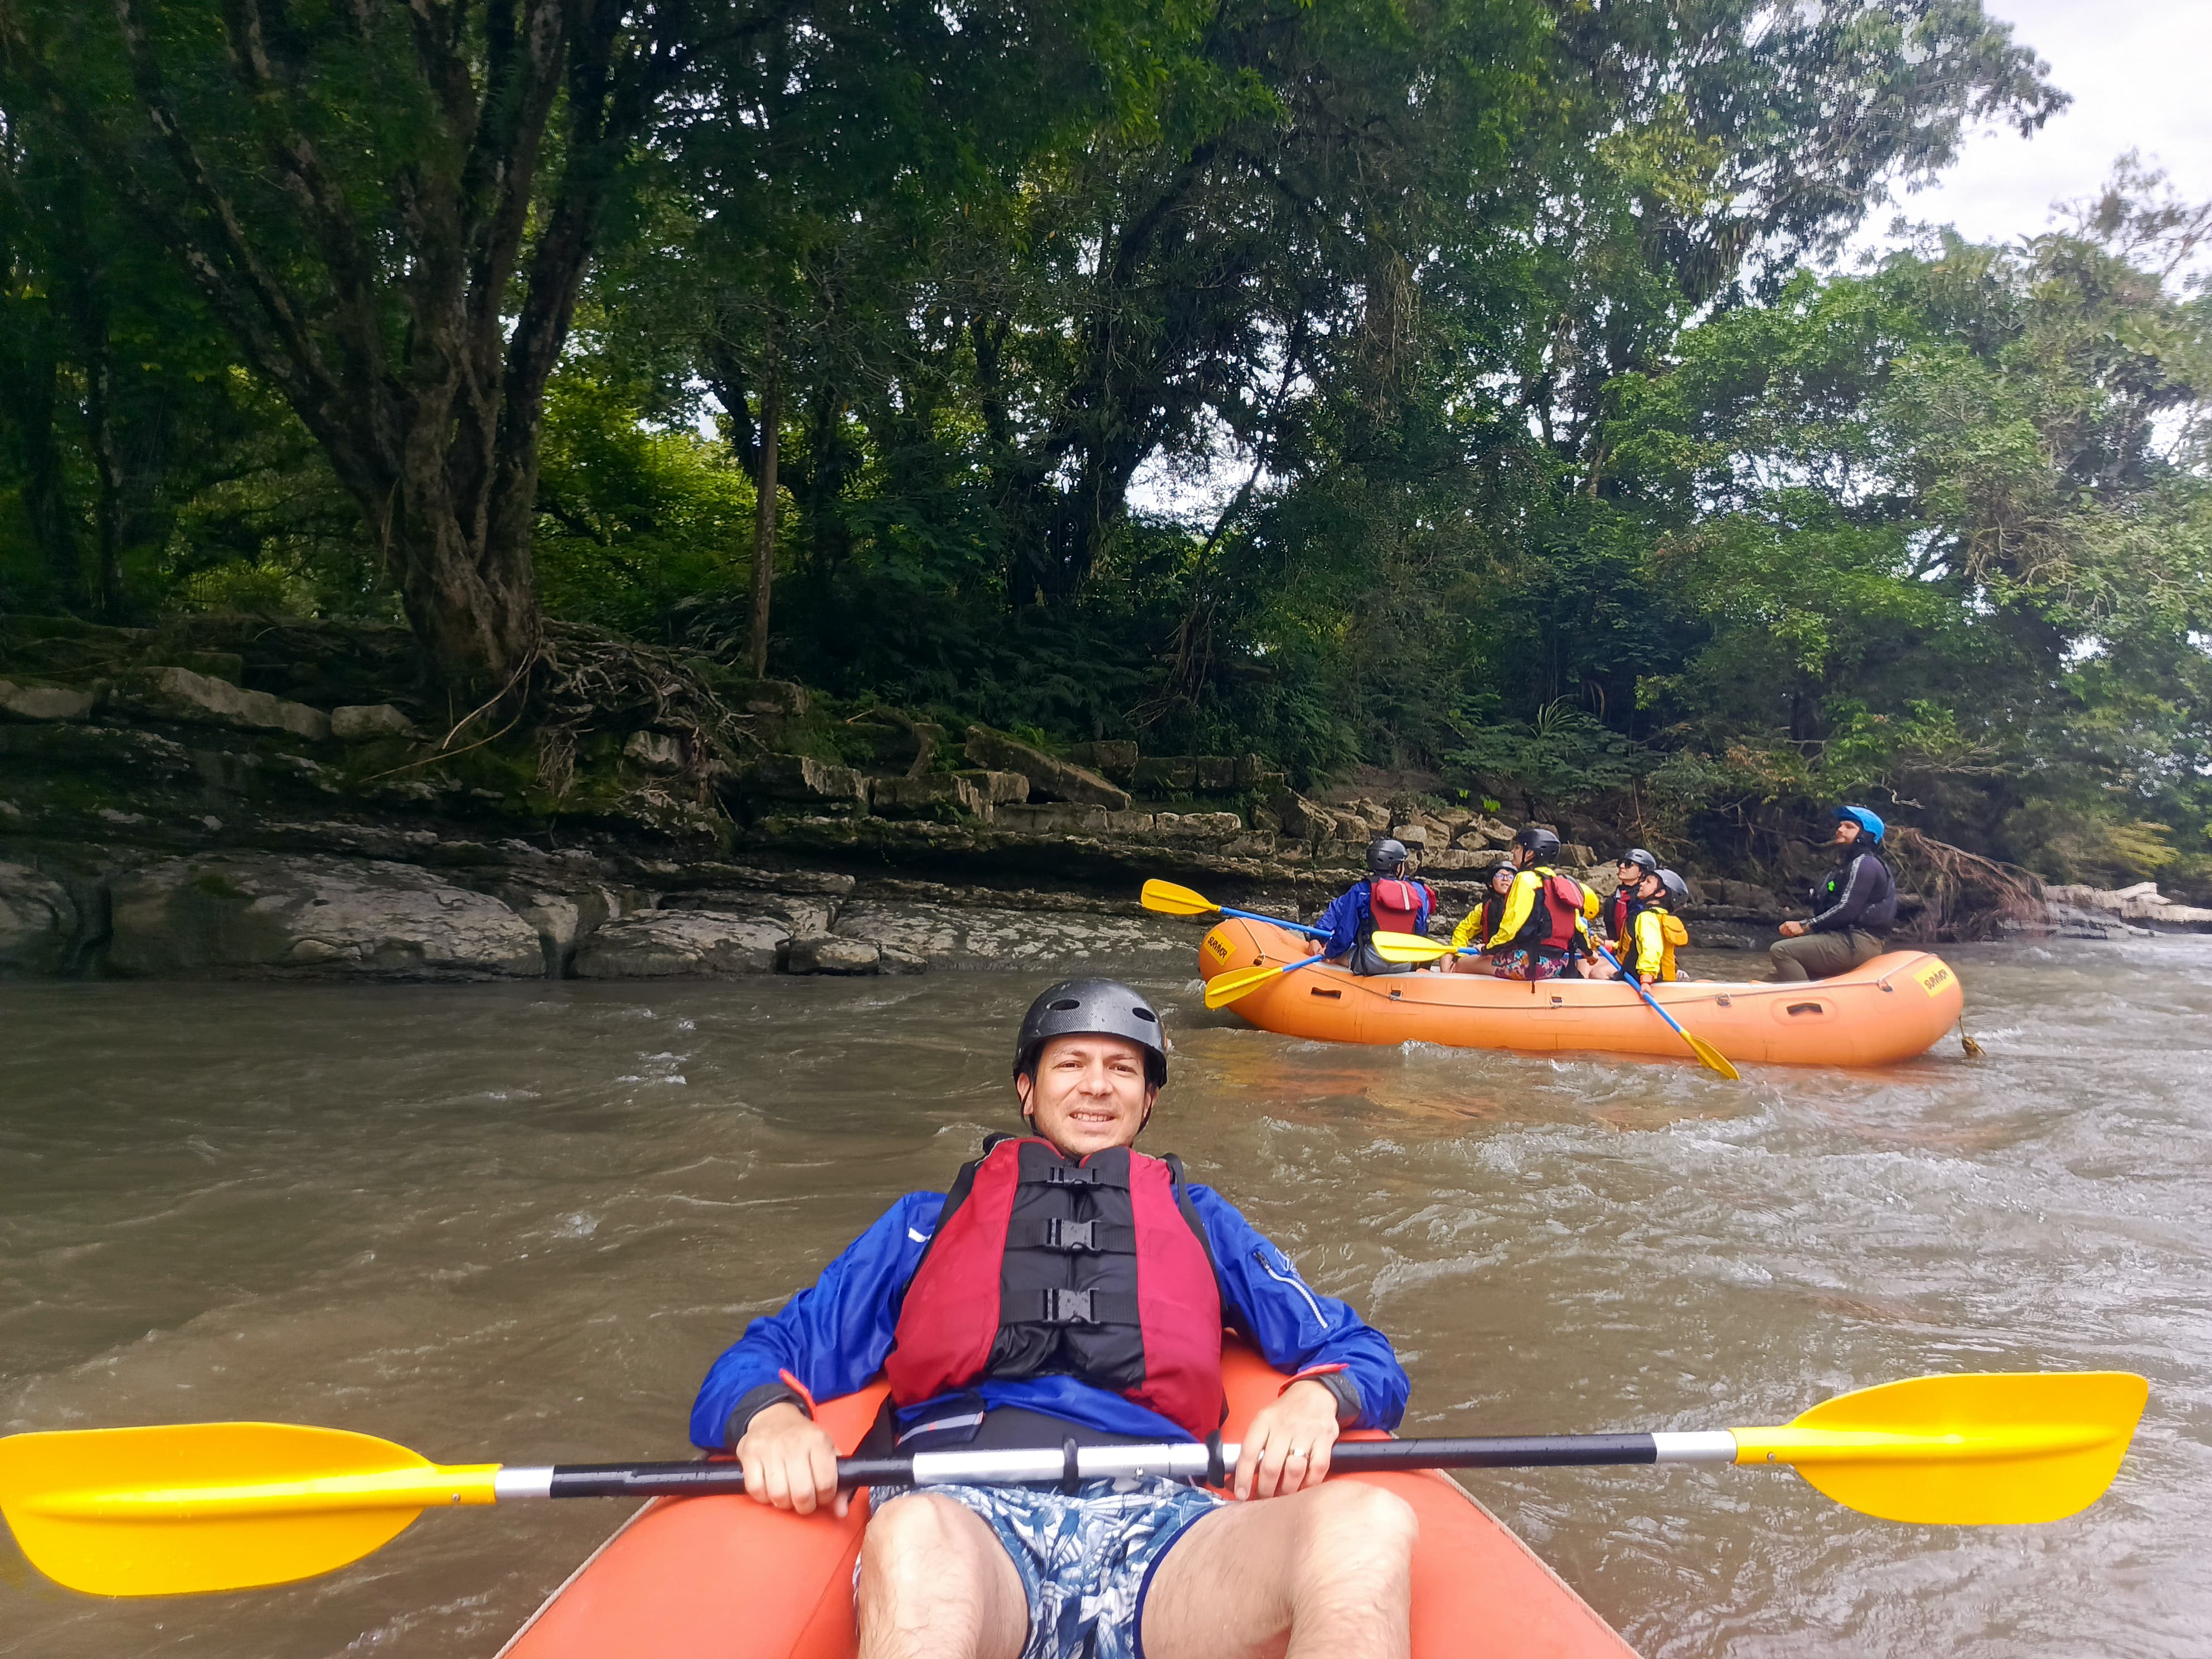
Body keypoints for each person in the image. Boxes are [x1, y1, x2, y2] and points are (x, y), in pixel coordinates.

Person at [691, 979, 1418, 1659]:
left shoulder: (1202, 1222)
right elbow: (766, 1353)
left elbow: (1357, 1349)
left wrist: (1317, 1398)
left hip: (1165, 1530)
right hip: (963, 1519)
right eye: (1071, 1064)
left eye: (1122, 1069)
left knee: (1368, 1521)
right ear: (1027, 1089)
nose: (1096, 1085)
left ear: (1148, 1100)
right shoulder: (924, 1225)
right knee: (913, 1532)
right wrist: (771, 1420)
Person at [1768, 806, 1898, 982]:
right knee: (1774, 978)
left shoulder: (1865, 864)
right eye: (1841, 825)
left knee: (1781, 951)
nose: (1840, 830)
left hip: (1859, 942)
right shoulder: (1844, 867)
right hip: (1840, 938)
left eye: (1849, 827)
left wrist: (1805, 925)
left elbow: (1848, 909)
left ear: (1866, 836)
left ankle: (1807, 997)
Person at [1484, 826, 1599, 981]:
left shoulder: (1525, 879)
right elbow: (1579, 927)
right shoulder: (1560, 883)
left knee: (1466, 964)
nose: (1513, 852)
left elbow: (1512, 925)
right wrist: (1589, 953)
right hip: (1556, 965)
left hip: (1527, 963)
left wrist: (1488, 949)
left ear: (1530, 853)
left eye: (1518, 848)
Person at [1316, 836, 1435, 976]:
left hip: (1371, 962)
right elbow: (1421, 932)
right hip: (1405, 963)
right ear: (1397, 867)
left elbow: (1344, 936)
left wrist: (1328, 952)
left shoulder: (1361, 890)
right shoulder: (1417, 891)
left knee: (1336, 957)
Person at [1597, 867, 1689, 985]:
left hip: (1648, 978)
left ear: (1660, 893)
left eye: (1648, 882)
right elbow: (1636, 944)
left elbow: (1651, 948)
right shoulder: (1656, 916)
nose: (1642, 883)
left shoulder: (1647, 917)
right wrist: (1611, 946)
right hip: (1659, 977)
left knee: (1597, 973)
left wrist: (1646, 978)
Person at [1445, 862, 1516, 973]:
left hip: (1513, 957)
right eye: (1500, 875)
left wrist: (1487, 948)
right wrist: (1461, 955)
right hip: (1489, 956)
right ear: (1491, 883)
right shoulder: (1483, 908)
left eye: (1510, 876)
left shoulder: (1520, 905)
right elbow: (1463, 930)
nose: (1505, 879)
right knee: (1446, 958)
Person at [1602, 848, 1657, 947]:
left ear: (1641, 873)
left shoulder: (1644, 901)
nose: (1622, 866)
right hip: (1618, 948)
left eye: (1629, 864)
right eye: (1621, 863)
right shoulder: (1614, 899)